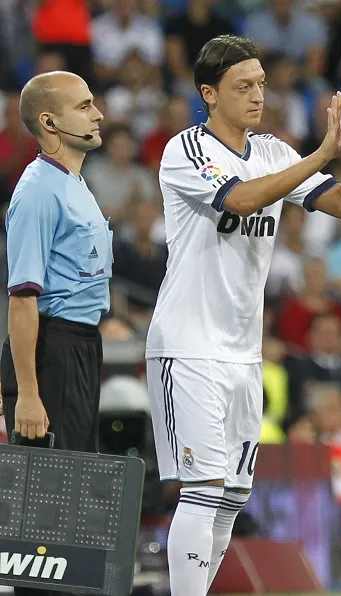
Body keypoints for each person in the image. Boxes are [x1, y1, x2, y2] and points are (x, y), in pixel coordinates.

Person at [144, 35, 341, 596]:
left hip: (244, 351)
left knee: (232, 496)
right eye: (243, 86)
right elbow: (240, 199)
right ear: (208, 94)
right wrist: (320, 154)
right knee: (202, 489)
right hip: (188, 344)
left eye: (261, 84)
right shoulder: (186, 150)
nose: (257, 96)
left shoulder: (273, 152)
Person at [2, 71, 107, 596]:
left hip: (82, 345)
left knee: (73, 508)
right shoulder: (38, 192)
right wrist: (28, 392)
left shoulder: (74, 184)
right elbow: (22, 299)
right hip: (51, 350)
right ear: (50, 122)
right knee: (44, 517)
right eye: (84, 106)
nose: (98, 113)